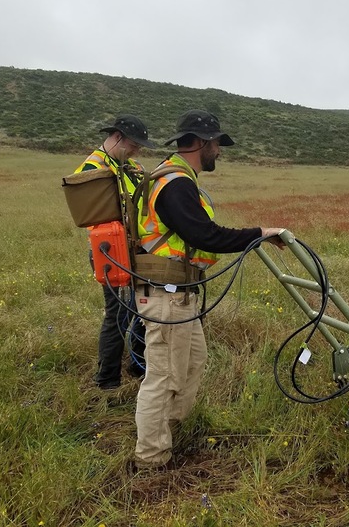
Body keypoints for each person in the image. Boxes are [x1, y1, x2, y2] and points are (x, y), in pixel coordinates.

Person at [132, 109, 284, 469]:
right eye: (217, 143)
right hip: (167, 294)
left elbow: (200, 235)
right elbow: (205, 235)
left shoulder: (175, 176)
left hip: (179, 292)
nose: (219, 150)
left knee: (193, 361)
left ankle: (167, 431)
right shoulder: (175, 184)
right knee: (164, 376)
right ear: (200, 143)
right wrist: (259, 233)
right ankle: (150, 458)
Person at [74, 114, 155, 390]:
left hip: (136, 249)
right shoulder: (92, 168)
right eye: (134, 145)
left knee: (144, 307)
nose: (137, 151)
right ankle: (107, 380)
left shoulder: (131, 165)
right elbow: (88, 214)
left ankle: (138, 364)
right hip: (112, 252)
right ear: (118, 138)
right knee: (118, 315)